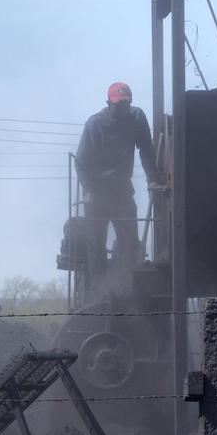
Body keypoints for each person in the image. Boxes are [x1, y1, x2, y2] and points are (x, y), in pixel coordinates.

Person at [75, 82, 158, 287]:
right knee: (96, 244)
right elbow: (81, 161)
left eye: (125, 104)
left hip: (122, 190)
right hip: (97, 191)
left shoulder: (136, 118)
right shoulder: (94, 125)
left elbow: (146, 150)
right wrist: (89, 190)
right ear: (108, 103)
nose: (122, 108)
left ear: (130, 103)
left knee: (129, 241)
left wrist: (153, 178)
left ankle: (129, 288)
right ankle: (99, 292)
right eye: (118, 104)